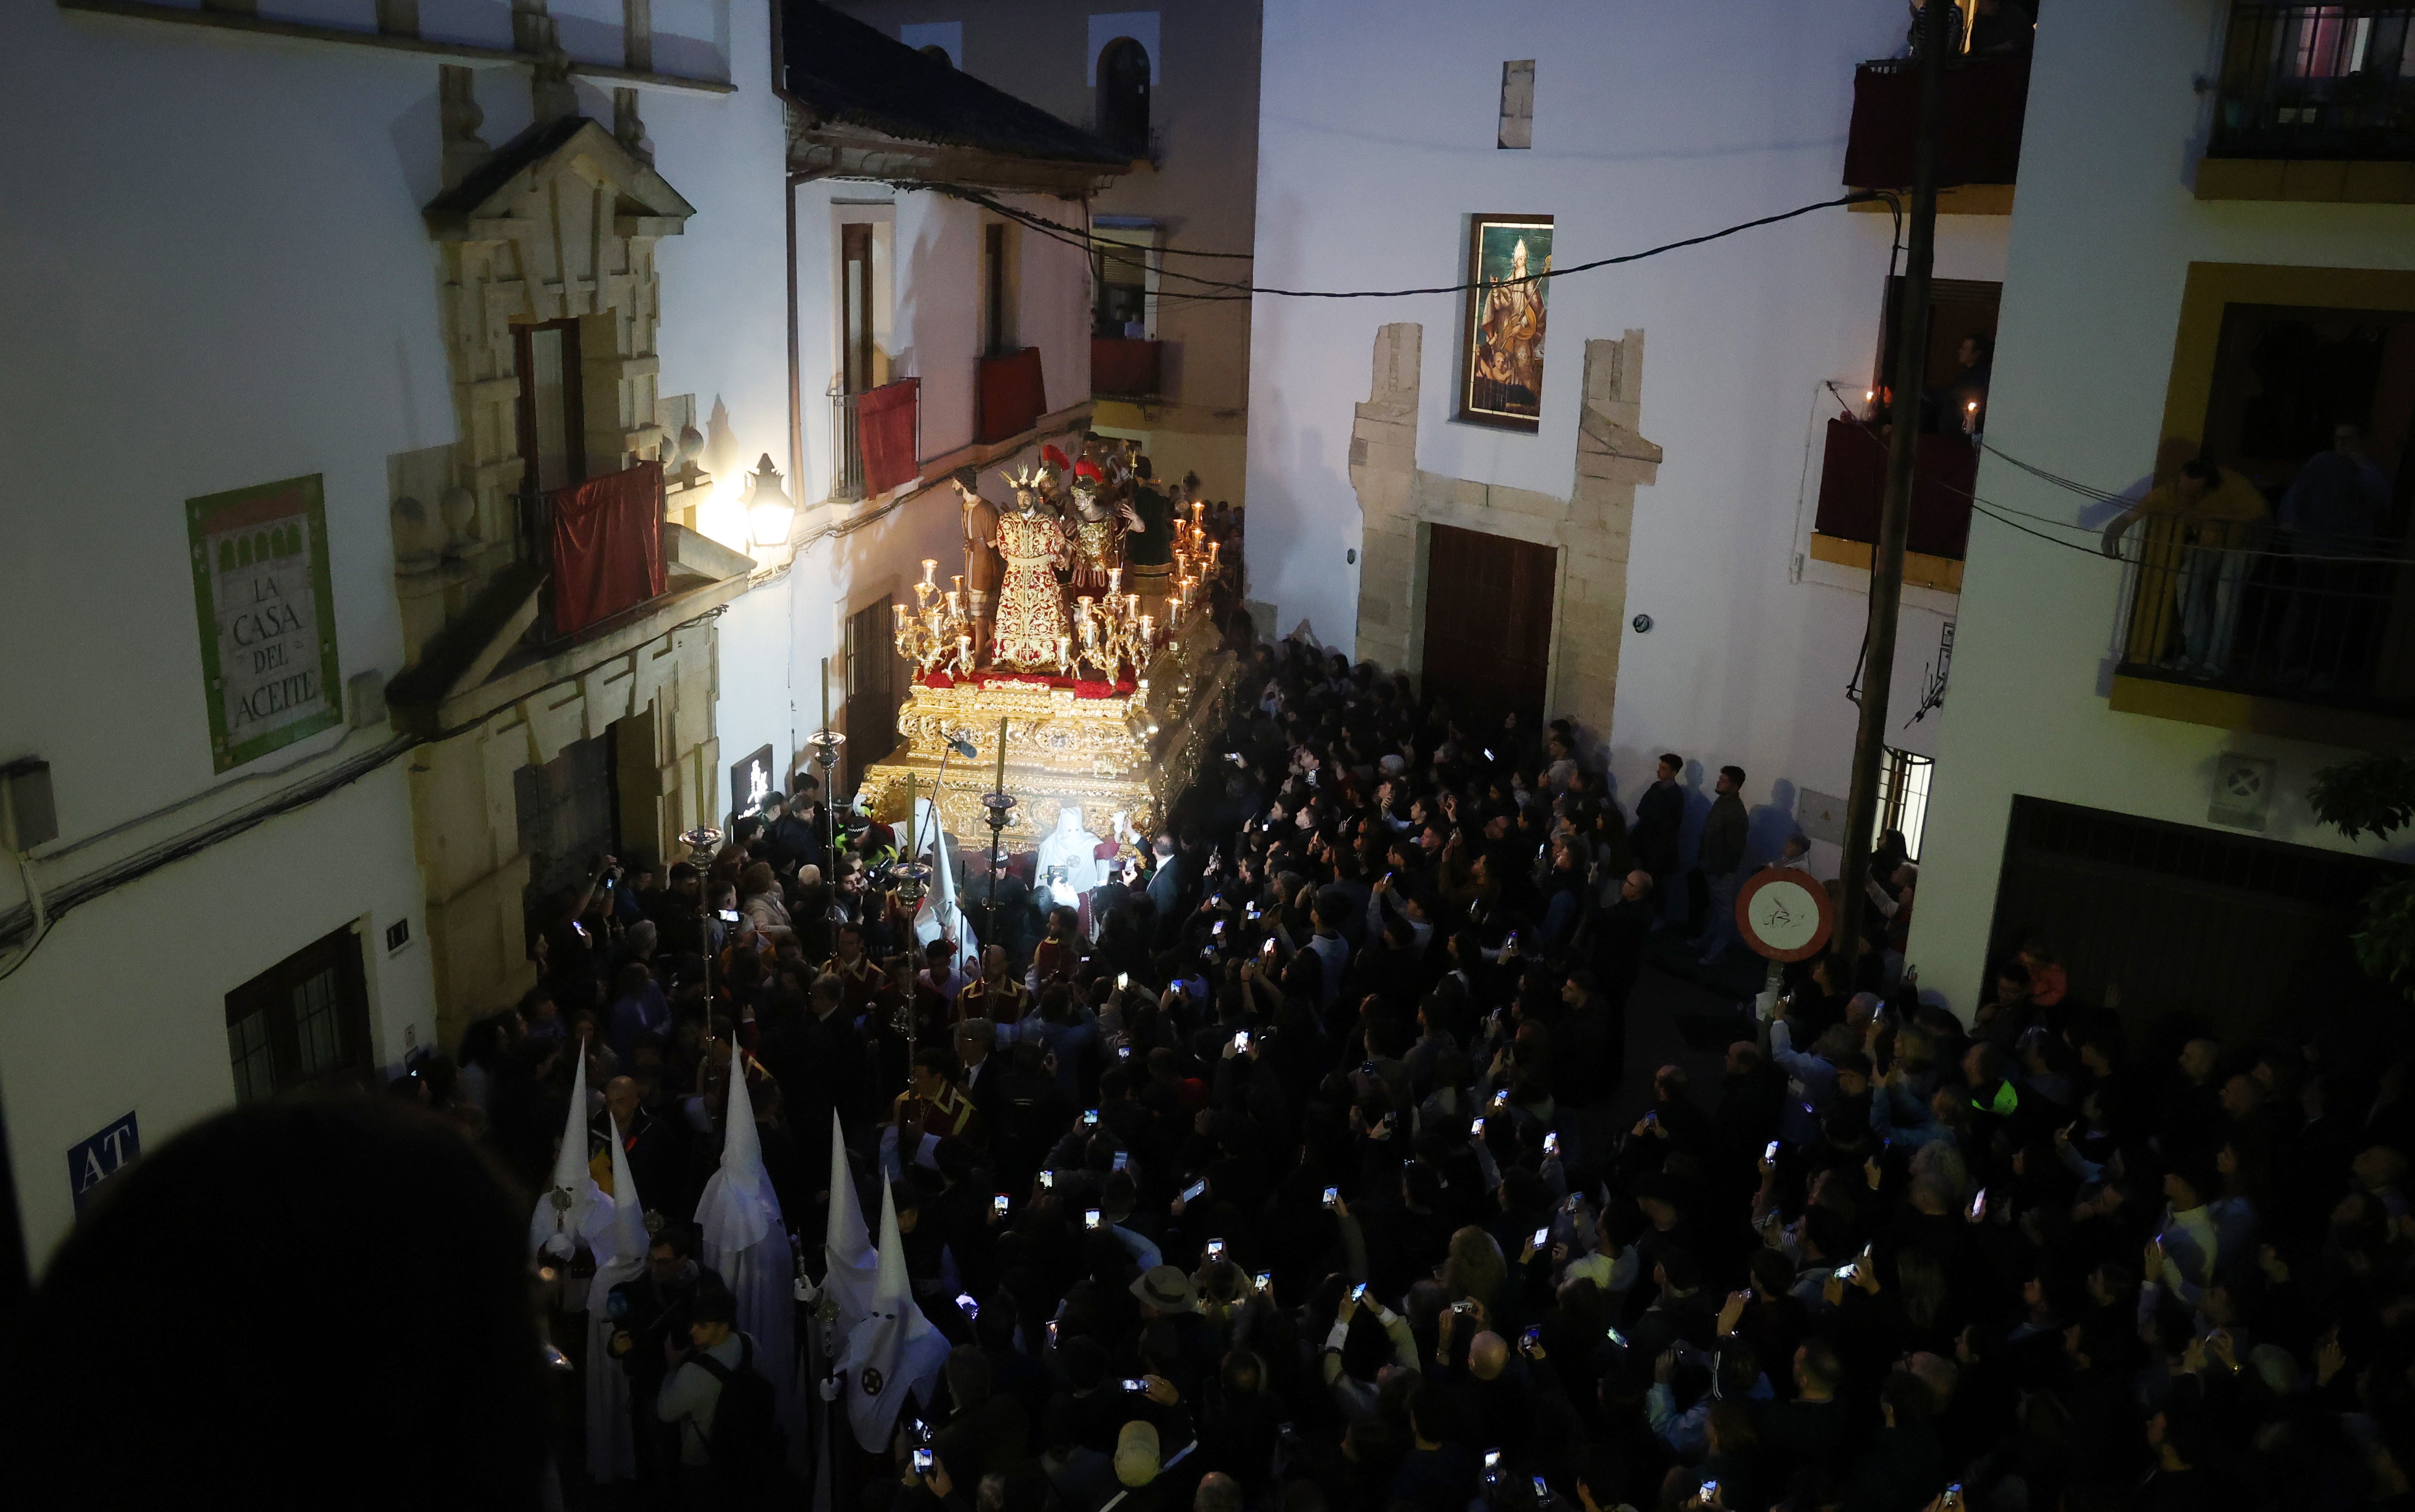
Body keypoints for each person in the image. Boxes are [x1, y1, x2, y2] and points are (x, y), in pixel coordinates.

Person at [2102, 455, 2270, 679]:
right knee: (2186, 580)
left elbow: (2259, 517)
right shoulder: (2174, 491)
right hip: (2213, 541)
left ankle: (2215, 662)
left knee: (2226, 590)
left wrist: (2212, 516)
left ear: (2209, 489)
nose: (2185, 499)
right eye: (2182, 492)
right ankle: (2194, 654)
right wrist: (2113, 530)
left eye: (2193, 495)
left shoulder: (2235, 486)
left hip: (2247, 542)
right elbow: (2134, 513)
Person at [654, 1279, 770, 1508]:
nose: (692, 1330)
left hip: (702, 1461)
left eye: (702, 1326)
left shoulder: (694, 1372)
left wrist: (671, 1369)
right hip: (749, 1452)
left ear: (723, 1326)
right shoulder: (750, 1344)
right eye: (694, 1323)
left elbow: (665, 1412)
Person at [1695, 765, 1748, 966]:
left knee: (1724, 909)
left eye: (1724, 780)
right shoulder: (1723, 802)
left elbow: (1736, 848)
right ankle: (1709, 942)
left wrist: (1721, 869)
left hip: (1720, 870)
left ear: (1735, 786)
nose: (1719, 782)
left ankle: (1717, 950)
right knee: (1719, 908)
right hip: (1713, 866)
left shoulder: (1735, 812)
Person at [954, 464, 1006, 654]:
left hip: (985, 563)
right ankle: (994, 642)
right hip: (973, 559)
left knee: (982, 608)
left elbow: (993, 542)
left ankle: (979, 652)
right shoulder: (965, 506)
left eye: (956, 481)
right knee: (983, 607)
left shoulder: (986, 509)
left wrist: (980, 546)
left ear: (963, 483)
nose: (954, 485)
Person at [1633, 753, 1686, 931]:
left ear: (1674, 773)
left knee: (1656, 885)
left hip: (1659, 849)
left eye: (1664, 769)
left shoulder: (1676, 796)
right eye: (1660, 767)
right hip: (1645, 844)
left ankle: (1655, 917)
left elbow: (1669, 824)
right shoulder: (1656, 787)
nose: (1659, 771)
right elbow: (1642, 809)